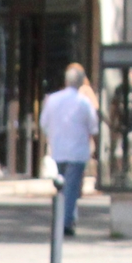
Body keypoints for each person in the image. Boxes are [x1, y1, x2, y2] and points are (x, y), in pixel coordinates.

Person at [38, 63, 99, 234]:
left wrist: (55, 135)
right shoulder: (83, 102)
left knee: (65, 186)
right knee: (71, 187)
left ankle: (67, 218)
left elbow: (44, 124)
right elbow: (93, 127)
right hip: (77, 151)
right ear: (81, 82)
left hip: (59, 150)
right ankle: (65, 222)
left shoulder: (53, 100)